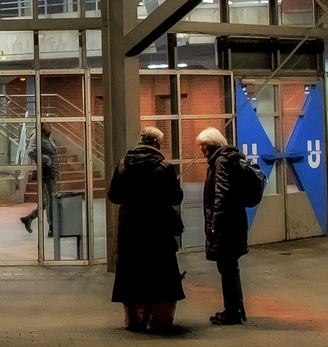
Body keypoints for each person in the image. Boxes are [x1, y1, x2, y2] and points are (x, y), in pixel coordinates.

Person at [108, 126, 184, 333]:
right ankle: (159, 320)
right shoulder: (165, 166)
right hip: (158, 231)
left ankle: (134, 320)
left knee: (132, 275)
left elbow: (114, 196)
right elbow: (175, 197)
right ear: (157, 144)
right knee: (160, 274)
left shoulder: (123, 164)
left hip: (131, 231)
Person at [197, 126, 253, 325]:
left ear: (212, 146)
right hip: (235, 221)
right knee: (230, 267)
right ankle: (237, 310)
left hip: (226, 225)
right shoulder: (231, 158)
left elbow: (221, 194)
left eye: (203, 148)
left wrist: (215, 224)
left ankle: (233, 312)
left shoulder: (221, 162)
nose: (202, 152)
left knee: (227, 268)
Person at [20, 123, 58, 233]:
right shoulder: (36, 137)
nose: (50, 125)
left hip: (51, 173)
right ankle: (52, 228)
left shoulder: (47, 138)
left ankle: (29, 218)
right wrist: (45, 159)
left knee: (46, 202)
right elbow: (30, 152)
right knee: (50, 200)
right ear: (41, 126)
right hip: (45, 174)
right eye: (47, 123)